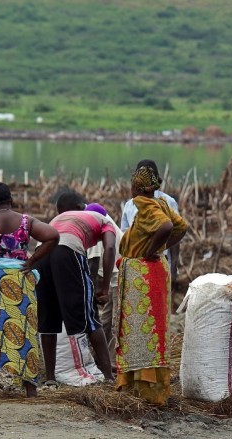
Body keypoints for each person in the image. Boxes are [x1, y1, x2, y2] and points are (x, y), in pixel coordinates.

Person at [0, 182, 59, 398]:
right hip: (20, 280)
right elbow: (53, 235)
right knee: (24, 331)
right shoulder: (26, 221)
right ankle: (30, 391)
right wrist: (32, 260)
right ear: (11, 201)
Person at [115, 163, 187, 404]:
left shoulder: (143, 204)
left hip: (141, 274)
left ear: (136, 185)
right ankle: (152, 387)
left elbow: (167, 226)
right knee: (155, 327)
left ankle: (141, 389)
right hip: (155, 271)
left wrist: (150, 250)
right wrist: (162, 247)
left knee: (138, 329)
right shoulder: (163, 202)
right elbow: (180, 227)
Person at [34, 192, 117, 386]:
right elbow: (110, 249)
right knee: (91, 318)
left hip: (41, 254)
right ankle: (109, 378)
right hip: (67, 250)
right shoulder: (105, 221)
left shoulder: (59, 218)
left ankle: (50, 379)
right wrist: (103, 288)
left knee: (49, 320)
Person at [120, 159, 181, 301]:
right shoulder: (130, 205)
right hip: (134, 263)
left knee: (154, 307)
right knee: (137, 307)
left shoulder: (167, 201)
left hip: (156, 261)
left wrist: (173, 268)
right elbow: (124, 236)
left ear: (156, 179)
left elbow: (176, 230)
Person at [85, 202, 122, 357]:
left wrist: (90, 295)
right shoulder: (105, 221)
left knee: (116, 321)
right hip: (116, 275)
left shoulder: (94, 224)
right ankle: (100, 357)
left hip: (118, 277)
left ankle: (113, 361)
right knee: (106, 320)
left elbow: (93, 266)